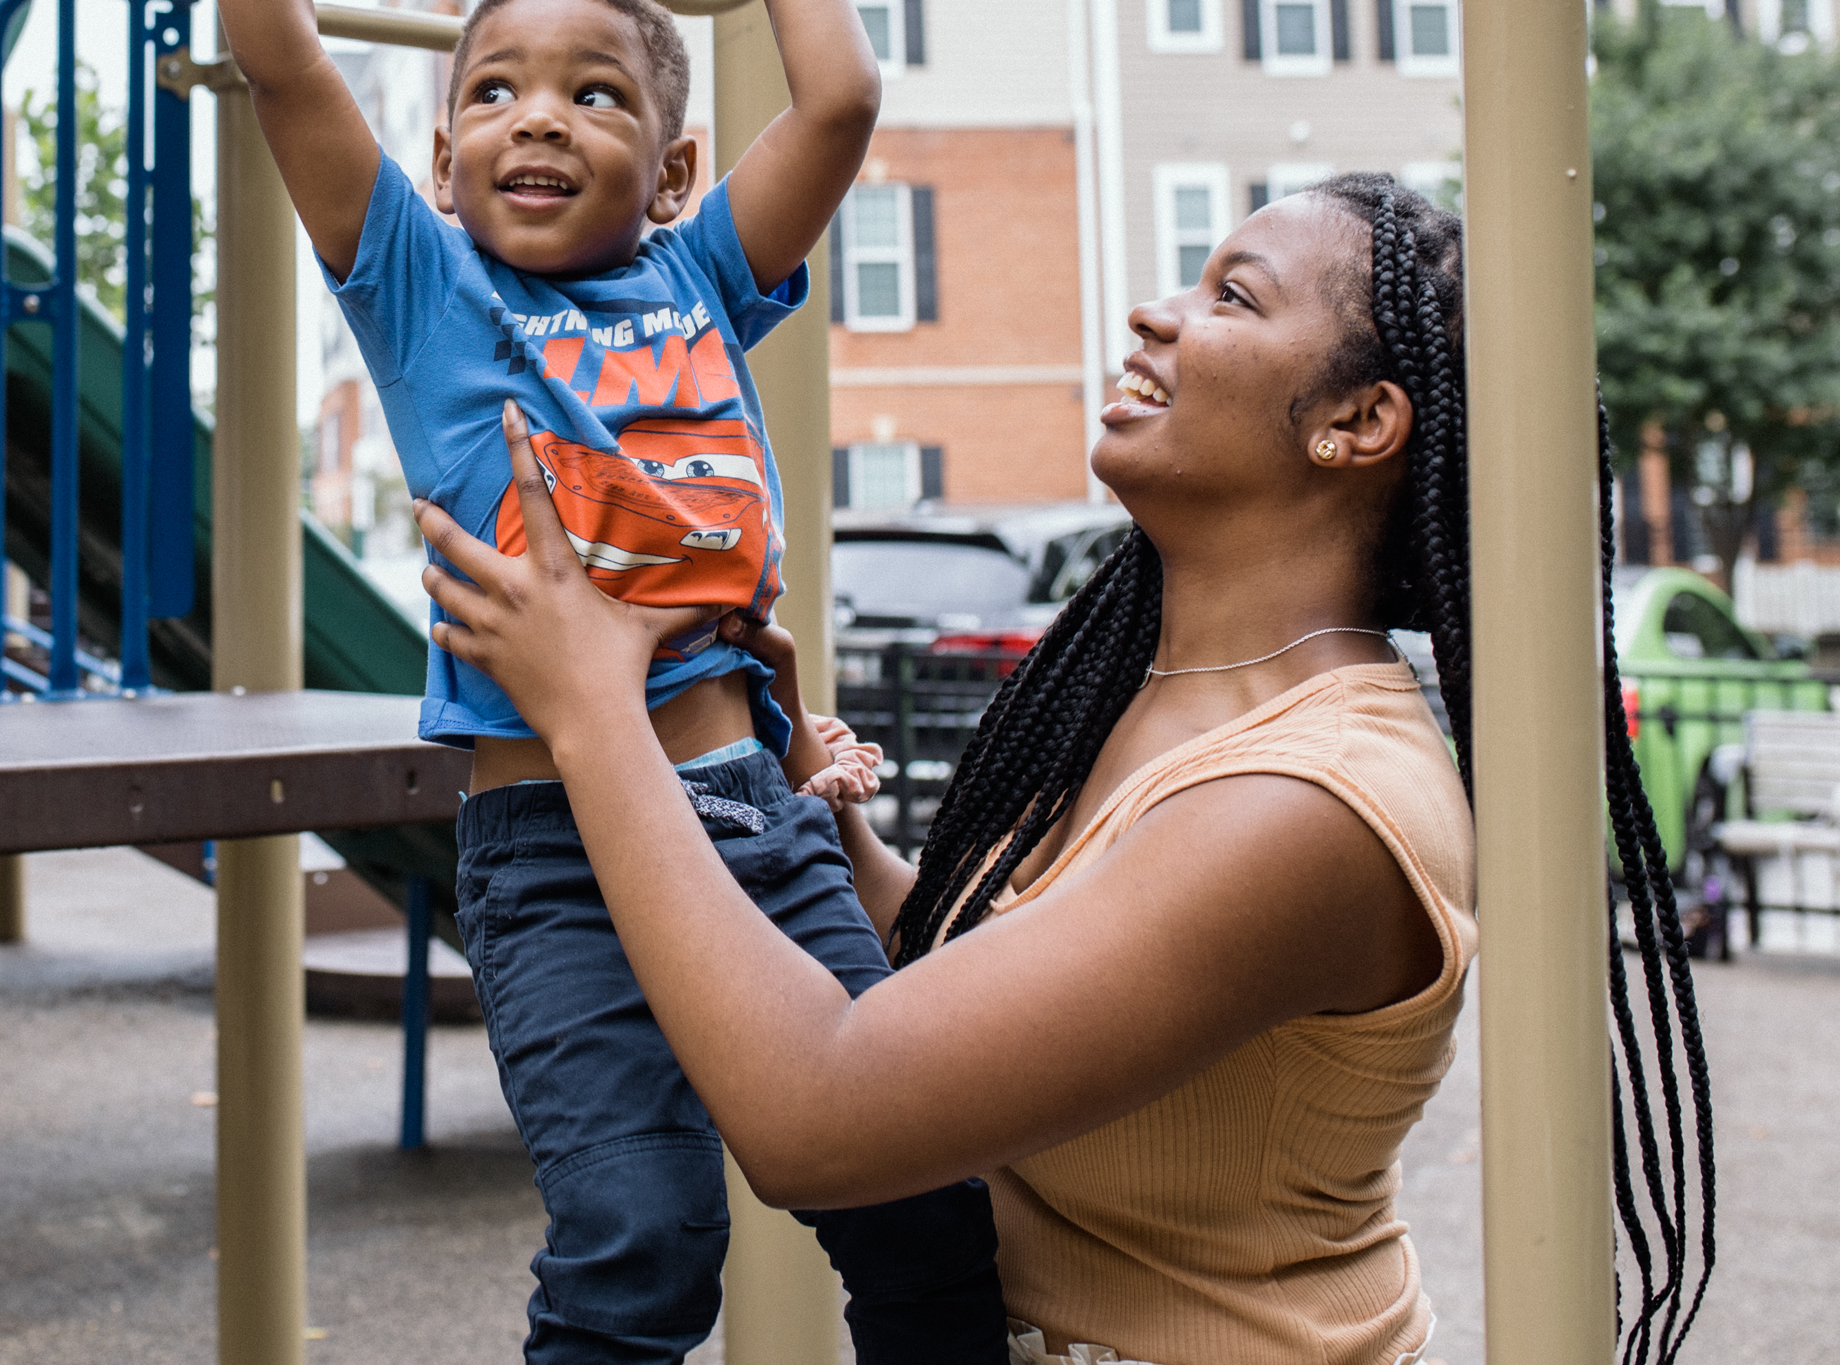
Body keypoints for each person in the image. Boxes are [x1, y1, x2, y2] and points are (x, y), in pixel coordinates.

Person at [416, 174, 1719, 1365]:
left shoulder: (1309, 806)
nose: (1155, 316)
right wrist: (788, 790)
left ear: (1358, 421)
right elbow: (974, 975)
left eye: (1231, 297)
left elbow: (818, 1115)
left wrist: (591, 715)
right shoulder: (1142, 692)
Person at [129, 0, 998, 1363]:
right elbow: (286, 54)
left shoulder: (701, 279)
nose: (538, 119)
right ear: (443, 155)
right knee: (640, 1239)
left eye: (594, 95)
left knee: (920, 1201)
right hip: (552, 854)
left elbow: (838, 97)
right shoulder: (424, 288)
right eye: (495, 94)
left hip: (753, 821)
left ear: (669, 166)